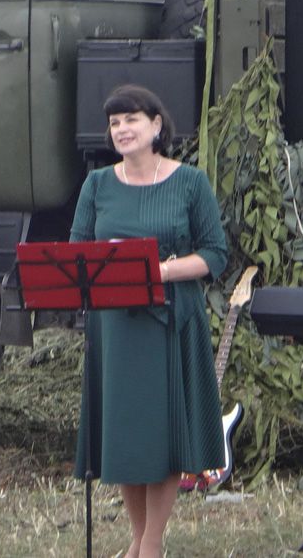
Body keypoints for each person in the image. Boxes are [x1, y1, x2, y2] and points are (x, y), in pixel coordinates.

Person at [70, 83, 228, 558]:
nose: (121, 129)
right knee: (127, 436)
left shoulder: (190, 182)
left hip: (171, 319)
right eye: (115, 122)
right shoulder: (97, 185)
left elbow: (215, 255)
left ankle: (152, 545)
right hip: (116, 326)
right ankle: (138, 540)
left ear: (156, 126)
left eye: (131, 119)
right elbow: (77, 252)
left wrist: (157, 270)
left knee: (164, 436)